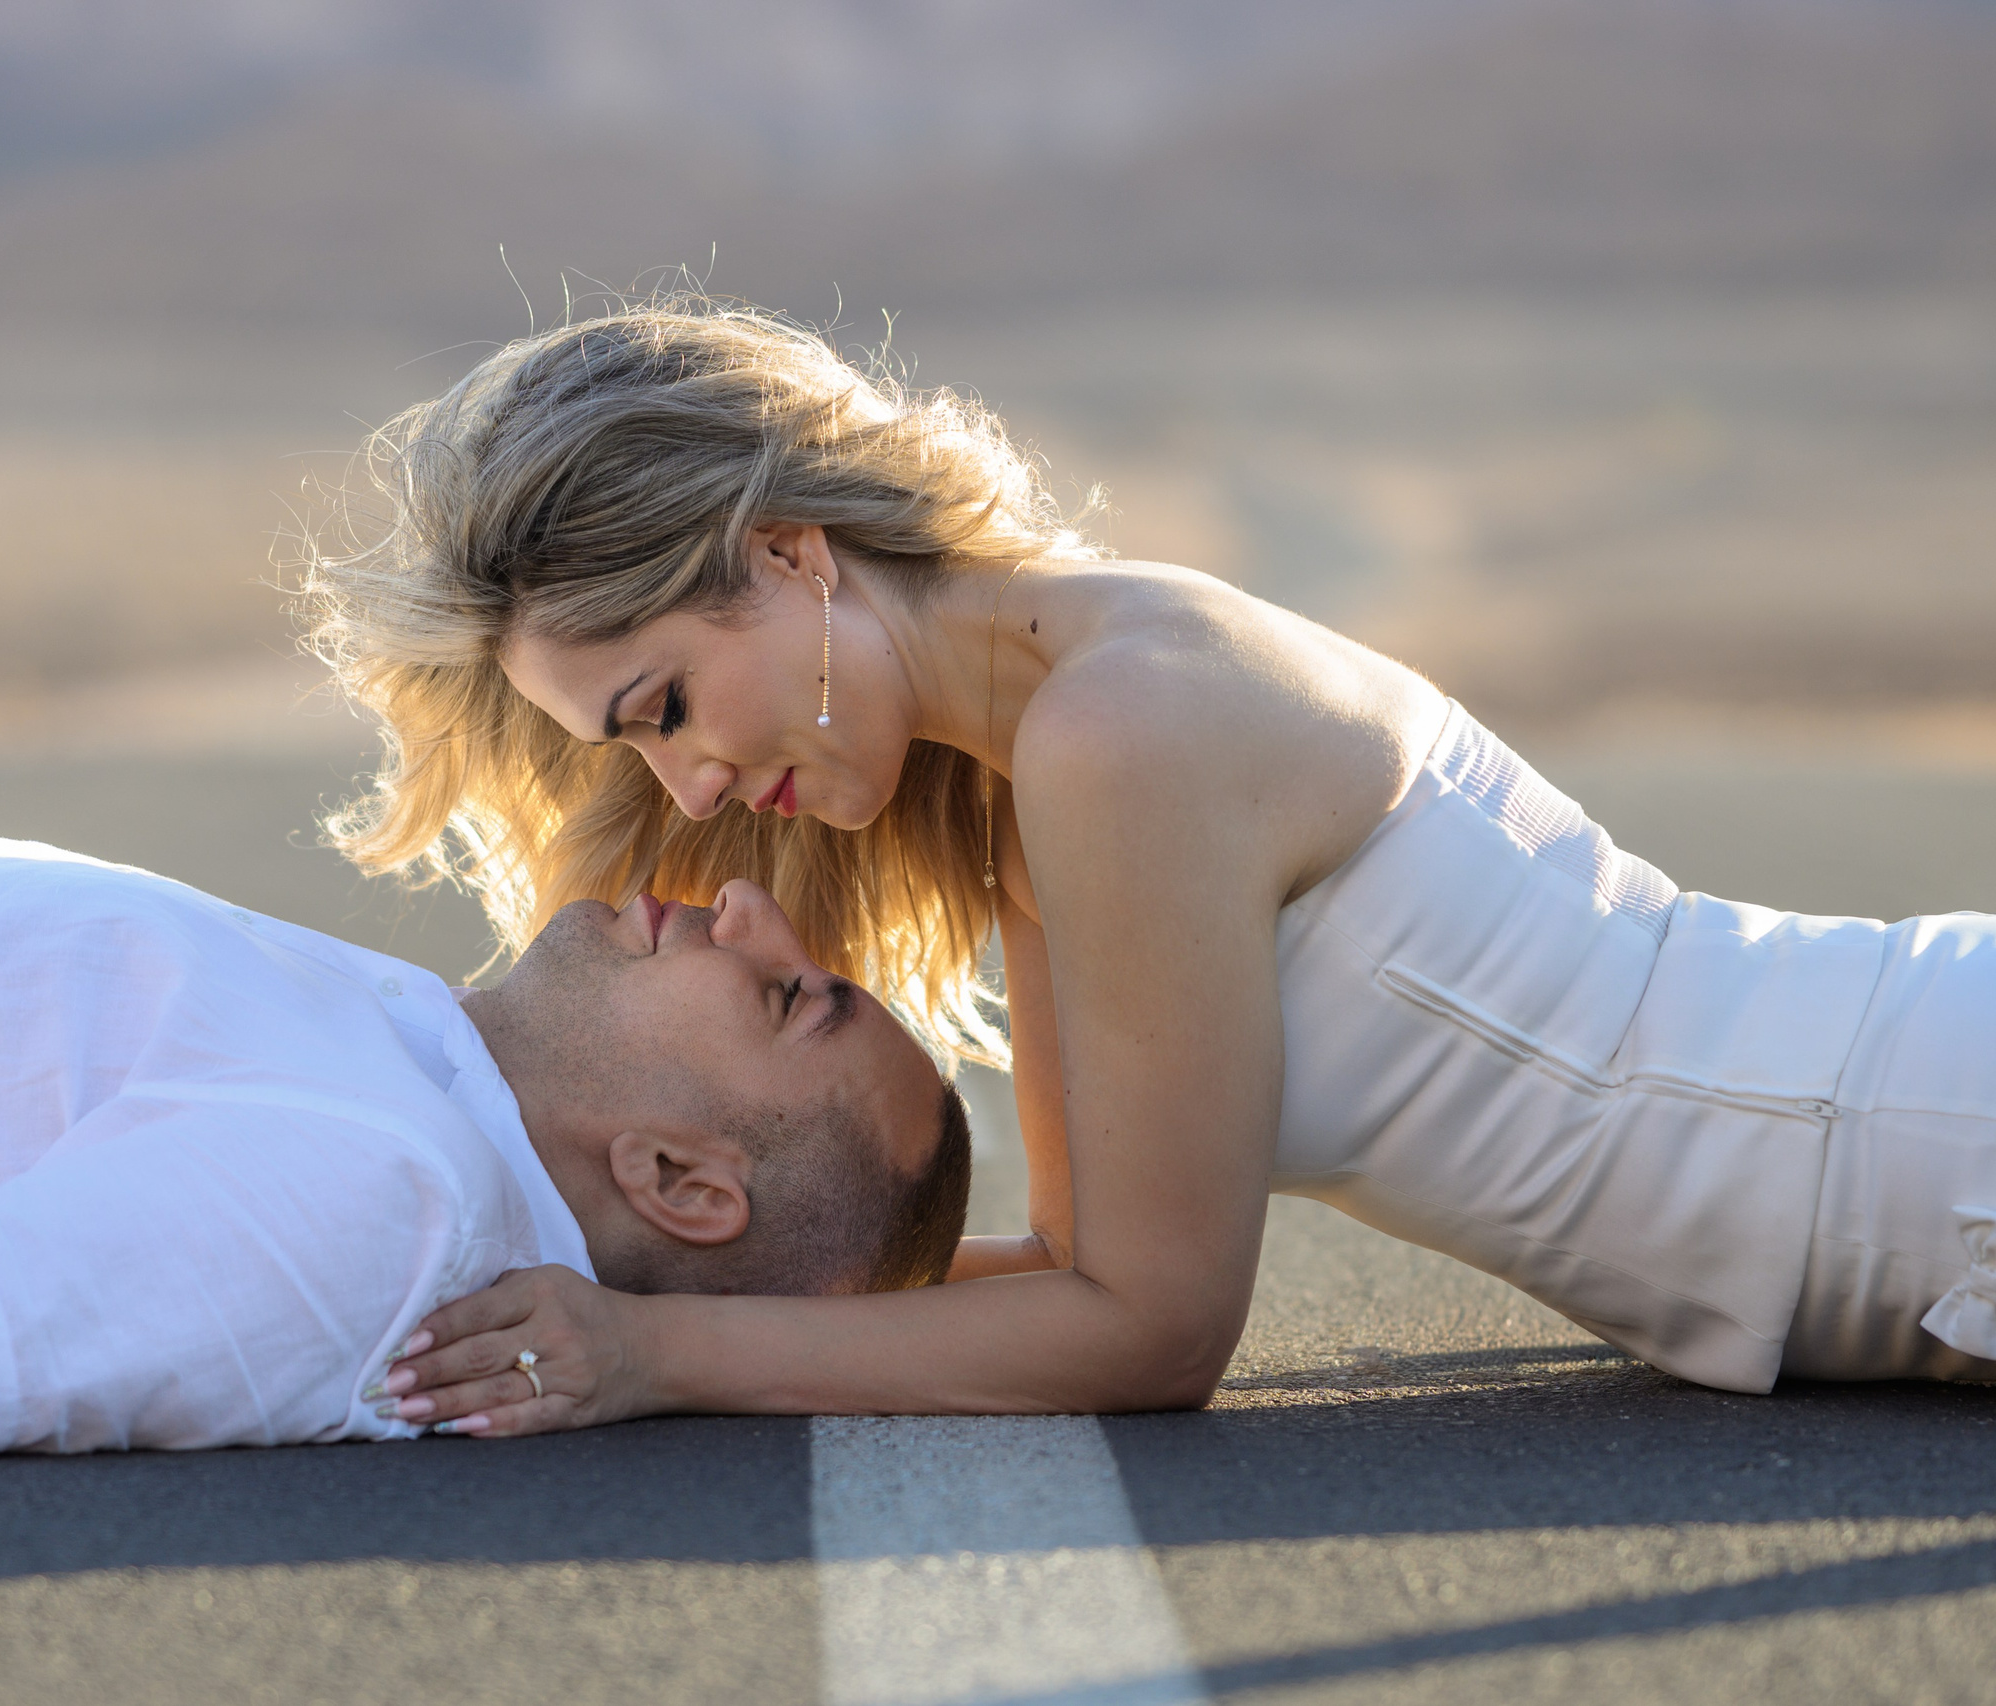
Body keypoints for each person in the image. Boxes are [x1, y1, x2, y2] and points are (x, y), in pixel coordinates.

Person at [295, 299, 1996, 1437]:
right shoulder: (1047, 748)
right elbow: (1086, 1265)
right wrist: (587, 1276)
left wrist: (655, 1351)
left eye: (666, 704)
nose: (688, 779)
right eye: (632, 748)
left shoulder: (1123, 727)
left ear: (791, 556)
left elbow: (1153, 1332)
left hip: (1932, 1133)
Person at [0, 836, 967, 1456]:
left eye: (787, 997)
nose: (753, 907)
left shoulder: (383, 1185)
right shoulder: (412, 1064)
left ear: (679, 1182)